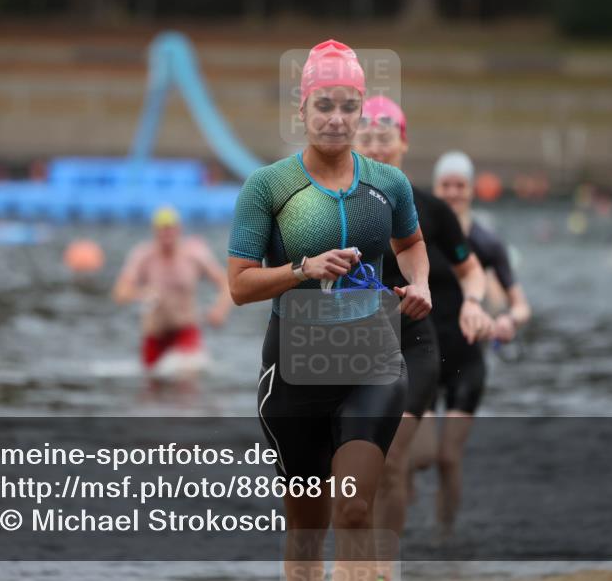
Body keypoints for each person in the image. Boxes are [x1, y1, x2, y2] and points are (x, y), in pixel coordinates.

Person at [228, 40, 431, 581]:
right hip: (294, 373)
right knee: (306, 530)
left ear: (361, 110)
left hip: (372, 364)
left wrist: (420, 284)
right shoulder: (268, 186)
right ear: (302, 110)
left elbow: (411, 244)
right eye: (324, 105)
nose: (336, 119)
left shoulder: (389, 184)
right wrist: (303, 269)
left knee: (357, 508)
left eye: (348, 106)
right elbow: (240, 287)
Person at [354, 97, 493, 565]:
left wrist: (474, 303)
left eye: (384, 139)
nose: (375, 148)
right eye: (365, 139)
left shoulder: (430, 210)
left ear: (404, 143)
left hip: (414, 345)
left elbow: (471, 271)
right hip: (349, 350)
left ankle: (382, 569)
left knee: (391, 461)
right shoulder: (330, 209)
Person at [411, 150, 532, 539]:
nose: (452, 192)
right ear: (436, 187)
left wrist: (507, 320)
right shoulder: (420, 234)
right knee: (422, 455)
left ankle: (445, 539)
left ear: (471, 190)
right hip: (423, 354)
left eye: (460, 185)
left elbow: (519, 303)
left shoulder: (484, 241)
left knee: (448, 458)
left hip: (467, 359)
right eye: (445, 185)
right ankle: (401, 489)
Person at [112, 205, 231, 377]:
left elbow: (226, 282)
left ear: (179, 230)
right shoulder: (143, 256)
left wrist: (220, 310)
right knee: (152, 383)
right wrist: (141, 293)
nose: (166, 235)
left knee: (186, 378)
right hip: (154, 335)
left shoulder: (194, 254)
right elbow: (119, 292)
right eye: (162, 230)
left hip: (185, 330)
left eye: (170, 229)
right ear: (154, 231)